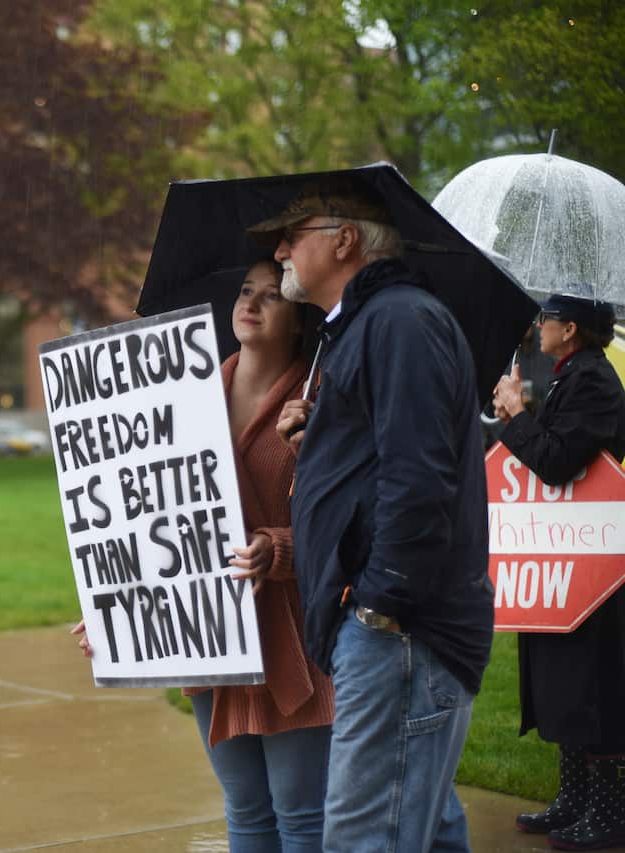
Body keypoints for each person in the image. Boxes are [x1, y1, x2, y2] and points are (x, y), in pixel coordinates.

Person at [75, 260, 334, 851]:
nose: (252, 303)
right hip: (207, 626)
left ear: (299, 321)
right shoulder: (181, 393)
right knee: (244, 809)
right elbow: (143, 512)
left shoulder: (316, 400)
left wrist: (280, 546)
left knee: (300, 815)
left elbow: (345, 521)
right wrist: (112, 607)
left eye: (272, 296)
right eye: (246, 291)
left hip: (288, 630)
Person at [265, 181, 493, 852]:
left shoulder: (397, 320)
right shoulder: (366, 326)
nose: (280, 248)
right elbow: (389, 458)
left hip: (399, 632)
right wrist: (325, 435)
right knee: (423, 830)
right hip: (393, 634)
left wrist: (377, 604)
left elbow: (419, 478)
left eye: (292, 232)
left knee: (367, 838)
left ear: (344, 239)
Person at [492, 292, 625, 851]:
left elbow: (555, 463)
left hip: (595, 567)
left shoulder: (593, 381)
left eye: (545, 318)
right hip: (566, 561)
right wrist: (517, 417)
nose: (537, 325)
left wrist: (518, 414)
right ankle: (574, 797)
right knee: (566, 684)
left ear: (569, 329)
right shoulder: (573, 374)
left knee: (593, 687)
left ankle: (610, 811)